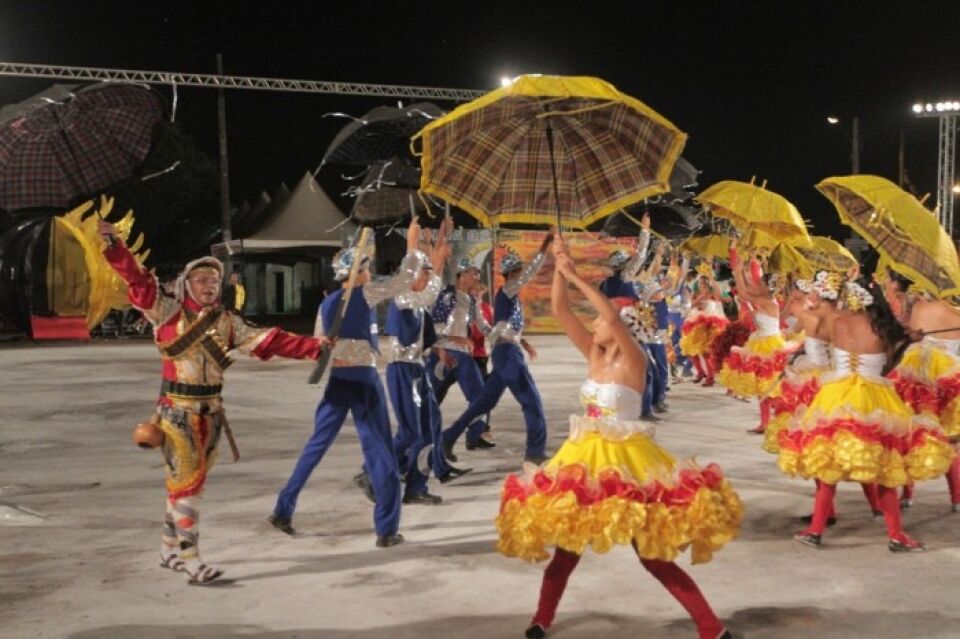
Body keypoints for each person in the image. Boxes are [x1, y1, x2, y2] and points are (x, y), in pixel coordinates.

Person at [498, 236, 740, 639]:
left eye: (600, 321)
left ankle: (711, 627)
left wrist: (576, 275)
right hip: (583, 461)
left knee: (653, 557)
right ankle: (541, 619)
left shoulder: (635, 360)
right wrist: (559, 267)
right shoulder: (595, 354)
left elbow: (607, 313)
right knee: (567, 551)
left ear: (621, 326)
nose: (593, 324)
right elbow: (560, 309)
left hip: (629, 465)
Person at [98, 220, 328, 586]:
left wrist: (316, 347)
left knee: (188, 484)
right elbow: (139, 284)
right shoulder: (167, 313)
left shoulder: (227, 323)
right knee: (187, 485)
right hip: (177, 414)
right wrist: (115, 246)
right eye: (202, 280)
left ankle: (166, 549)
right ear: (186, 284)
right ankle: (191, 560)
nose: (210, 286)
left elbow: (269, 340)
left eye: (214, 281)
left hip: (213, 415)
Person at [269, 218, 429, 548]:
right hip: (365, 383)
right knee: (380, 453)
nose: (370, 271)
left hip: (338, 382)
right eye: (366, 267)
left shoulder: (326, 305)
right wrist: (412, 245)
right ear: (356, 272)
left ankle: (283, 509)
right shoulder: (365, 293)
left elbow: (317, 346)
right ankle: (387, 530)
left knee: (315, 448)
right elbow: (405, 280)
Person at [778, 277, 955, 551]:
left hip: (835, 396)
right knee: (885, 470)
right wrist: (908, 340)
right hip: (874, 397)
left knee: (828, 467)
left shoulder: (839, 323)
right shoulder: (885, 329)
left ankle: (815, 531)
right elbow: (888, 368)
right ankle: (896, 535)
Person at [442, 231, 554, 464]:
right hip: (509, 356)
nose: (523, 273)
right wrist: (545, 245)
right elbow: (532, 270)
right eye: (520, 270)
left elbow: (493, 329)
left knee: (483, 403)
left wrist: (522, 342)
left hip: (504, 353)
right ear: (514, 273)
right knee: (532, 402)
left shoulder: (506, 297)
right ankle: (534, 453)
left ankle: (448, 437)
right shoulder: (509, 289)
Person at [383, 218, 470, 503]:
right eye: (423, 273)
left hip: (418, 369)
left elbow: (428, 334)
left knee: (430, 426)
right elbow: (428, 285)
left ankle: (417, 486)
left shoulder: (419, 304)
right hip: (403, 370)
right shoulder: (402, 296)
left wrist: (442, 348)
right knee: (410, 432)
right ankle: (373, 472)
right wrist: (412, 241)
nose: (427, 277)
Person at [884, 267, 960, 511]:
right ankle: (957, 498)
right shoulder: (955, 311)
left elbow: (911, 334)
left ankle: (907, 494)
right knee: (950, 438)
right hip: (950, 376)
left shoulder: (920, 307)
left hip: (918, 373)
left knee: (910, 433)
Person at [717, 241, 797, 433]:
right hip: (761, 341)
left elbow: (744, 293)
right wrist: (742, 266)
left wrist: (738, 270)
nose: (757, 283)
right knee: (762, 387)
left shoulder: (768, 301)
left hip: (769, 345)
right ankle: (765, 422)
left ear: (766, 287)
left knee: (769, 387)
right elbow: (748, 290)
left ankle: (778, 420)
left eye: (760, 282)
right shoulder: (764, 299)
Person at [425, 258, 493, 456]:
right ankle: (420, 443)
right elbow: (434, 329)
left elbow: (482, 325)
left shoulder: (471, 300)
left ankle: (467, 436)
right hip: (442, 355)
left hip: (463, 357)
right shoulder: (447, 295)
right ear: (461, 274)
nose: (477, 277)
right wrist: (448, 343)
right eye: (473, 273)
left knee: (481, 398)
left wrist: (502, 336)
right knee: (430, 402)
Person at [679, 262, 729, 386]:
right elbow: (691, 305)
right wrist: (701, 297)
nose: (701, 284)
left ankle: (710, 377)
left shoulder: (712, 294)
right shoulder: (696, 294)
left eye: (703, 282)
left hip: (710, 326)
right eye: (700, 282)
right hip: (696, 325)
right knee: (692, 351)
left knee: (707, 353)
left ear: (707, 284)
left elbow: (719, 295)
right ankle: (701, 372)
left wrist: (712, 278)